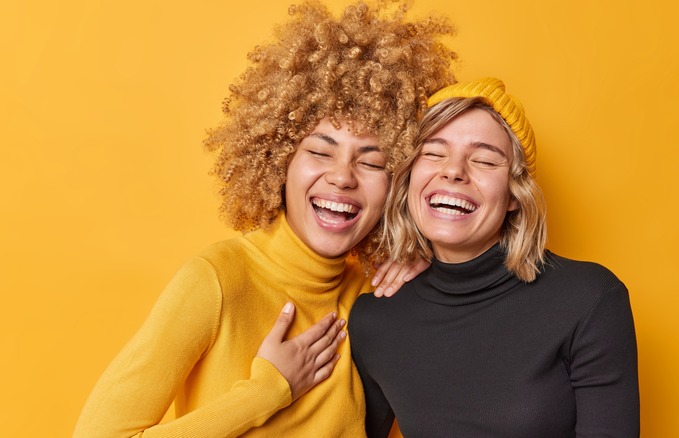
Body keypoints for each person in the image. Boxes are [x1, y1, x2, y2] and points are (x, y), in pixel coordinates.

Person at [73, 1, 456, 436]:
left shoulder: (375, 295)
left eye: (371, 162)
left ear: (397, 183)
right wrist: (269, 390)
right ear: (279, 161)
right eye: (319, 151)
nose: (342, 177)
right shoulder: (216, 280)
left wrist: (431, 268)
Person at [349, 78, 640, 437]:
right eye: (434, 153)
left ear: (515, 194)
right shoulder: (375, 318)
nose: (453, 170)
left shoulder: (589, 299)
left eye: (485, 160)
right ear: (409, 180)